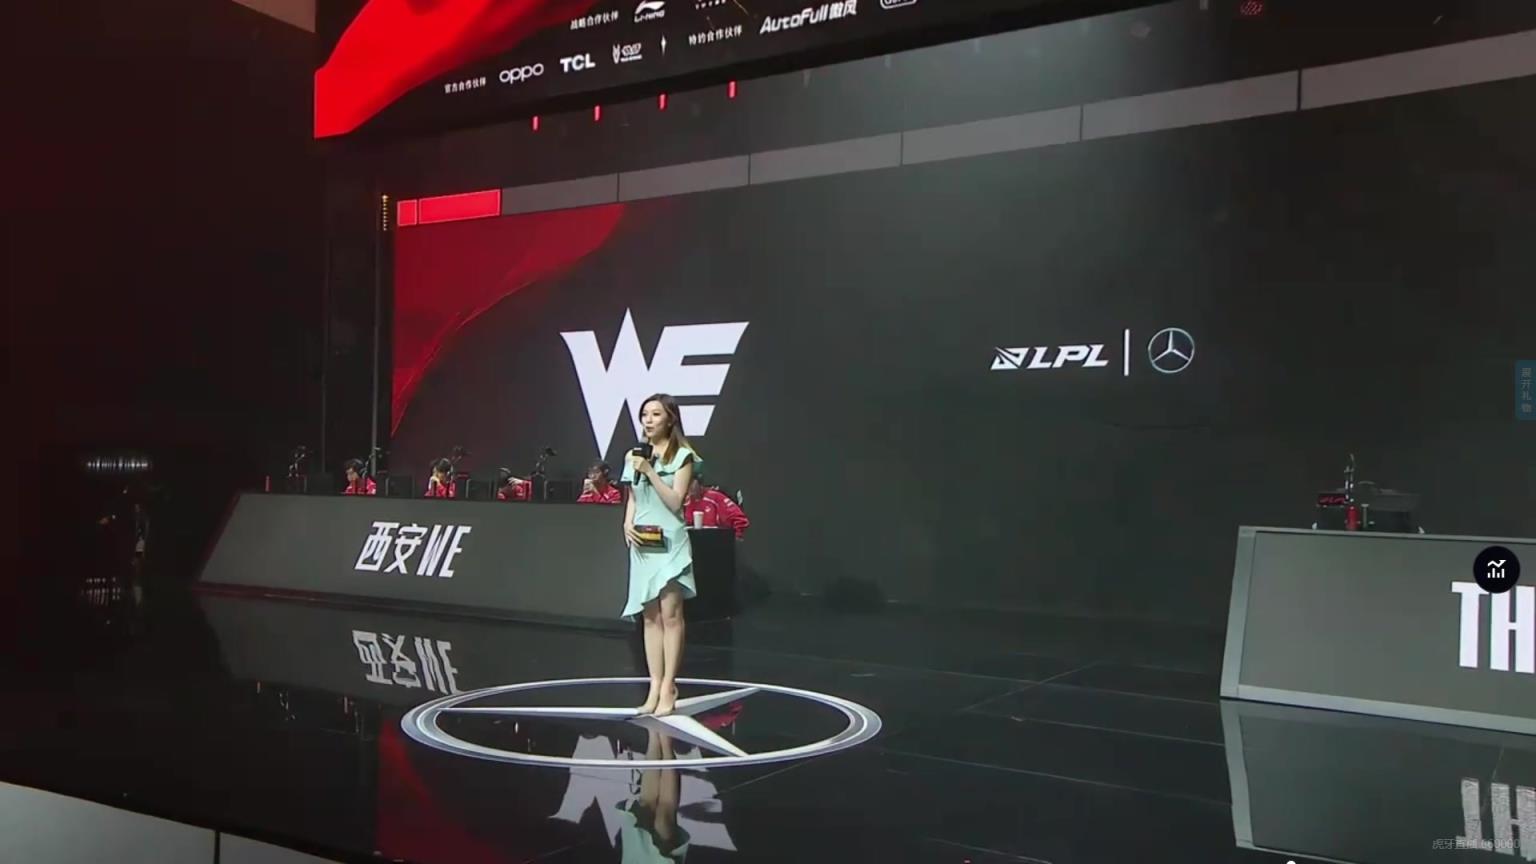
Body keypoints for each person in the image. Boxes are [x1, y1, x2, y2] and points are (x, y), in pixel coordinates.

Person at [622, 393, 698, 717]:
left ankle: (669, 685)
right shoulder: (633, 456)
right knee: (649, 617)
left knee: (670, 615)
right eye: (644, 415)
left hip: (670, 542)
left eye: (655, 414)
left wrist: (651, 471)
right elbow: (633, 497)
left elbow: (676, 502)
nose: (648, 420)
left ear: (670, 419)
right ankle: (654, 685)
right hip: (642, 543)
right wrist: (627, 523)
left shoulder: (683, 456)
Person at [683, 476, 749, 539]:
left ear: (698, 483)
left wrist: (735, 538)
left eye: (691, 482)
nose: (689, 486)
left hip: (719, 541)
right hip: (696, 543)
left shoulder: (715, 497)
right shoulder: (685, 503)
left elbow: (740, 519)